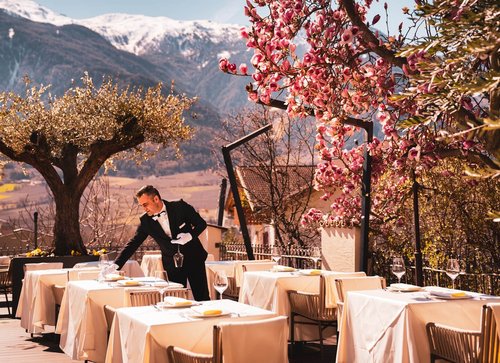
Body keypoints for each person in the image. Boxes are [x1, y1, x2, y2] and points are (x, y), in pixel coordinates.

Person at [113, 185, 210, 301]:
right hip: (171, 265)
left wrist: (189, 236)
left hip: (194, 259)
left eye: (145, 204)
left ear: (156, 199)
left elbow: (201, 224)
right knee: (175, 300)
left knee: (202, 298)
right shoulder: (146, 221)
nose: (144, 209)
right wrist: (115, 265)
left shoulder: (180, 207)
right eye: (141, 206)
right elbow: (133, 243)